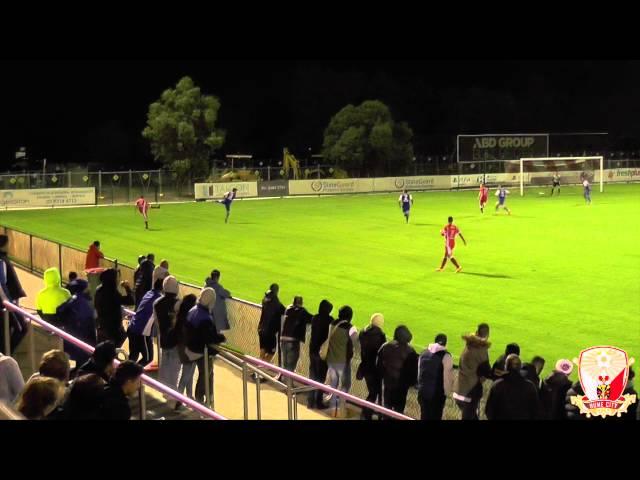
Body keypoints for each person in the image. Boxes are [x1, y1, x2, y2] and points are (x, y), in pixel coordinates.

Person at [184, 288, 226, 405]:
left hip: (190, 347)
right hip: (199, 350)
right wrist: (221, 338)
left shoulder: (193, 310)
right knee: (206, 373)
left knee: (207, 373)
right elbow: (208, 337)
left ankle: (208, 398)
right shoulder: (205, 317)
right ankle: (200, 400)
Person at [325, 305, 358, 417]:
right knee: (345, 384)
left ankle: (333, 409)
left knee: (333, 383)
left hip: (331, 358)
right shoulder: (351, 327)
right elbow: (357, 344)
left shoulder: (332, 323)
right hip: (343, 361)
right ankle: (340, 408)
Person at [377, 325, 418, 416]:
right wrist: (411, 383)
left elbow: (379, 364)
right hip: (401, 387)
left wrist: (383, 376)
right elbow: (413, 372)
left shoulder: (386, 346)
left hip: (388, 383)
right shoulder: (411, 351)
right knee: (398, 411)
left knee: (386, 409)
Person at [453, 323, 492, 420]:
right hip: (470, 391)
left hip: (459, 388)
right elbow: (486, 370)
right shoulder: (481, 349)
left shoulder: (468, 345)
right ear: (487, 335)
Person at [485, 354, 540, 420]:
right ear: (520, 367)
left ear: (506, 366)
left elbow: (489, 410)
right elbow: (535, 411)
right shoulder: (530, 386)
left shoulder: (498, 385)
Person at [56, 278, 97, 366]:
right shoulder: (85, 303)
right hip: (83, 341)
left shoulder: (72, 300)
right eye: (87, 287)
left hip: (72, 338)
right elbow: (90, 325)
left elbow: (59, 311)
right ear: (83, 289)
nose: (89, 289)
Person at [127, 276, 165, 366]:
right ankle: (132, 375)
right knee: (148, 358)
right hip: (141, 333)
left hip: (132, 327)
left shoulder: (149, 293)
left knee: (133, 356)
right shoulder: (159, 299)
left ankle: (126, 374)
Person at [0, 235, 28, 353]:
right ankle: (6, 355)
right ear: (4, 245)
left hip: (7, 303)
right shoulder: (1, 260)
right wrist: (9, 303)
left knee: (6, 331)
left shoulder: (3, 258)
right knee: (22, 327)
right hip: (7, 305)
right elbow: (2, 284)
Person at [154, 276, 182, 396]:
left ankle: (165, 392)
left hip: (164, 339)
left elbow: (157, 321)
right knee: (174, 369)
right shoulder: (179, 303)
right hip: (176, 342)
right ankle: (172, 396)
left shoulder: (157, 303)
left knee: (165, 365)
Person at [418, 333, 454, 421]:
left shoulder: (423, 353)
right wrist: (447, 392)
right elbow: (447, 378)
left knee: (424, 416)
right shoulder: (446, 356)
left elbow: (419, 373)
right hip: (437, 395)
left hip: (423, 392)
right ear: (445, 343)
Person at [357, 313, 386, 419]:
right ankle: (366, 414)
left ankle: (367, 414)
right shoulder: (380, 335)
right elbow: (382, 353)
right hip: (374, 369)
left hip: (365, 366)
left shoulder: (363, 332)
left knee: (373, 392)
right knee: (374, 393)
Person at [94, 268, 134, 347]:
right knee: (112, 348)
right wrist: (127, 287)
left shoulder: (100, 289)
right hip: (112, 329)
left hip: (102, 325)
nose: (118, 280)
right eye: (117, 277)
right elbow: (131, 301)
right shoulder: (111, 292)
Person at [307, 299, 334, 409]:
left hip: (312, 350)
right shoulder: (330, 320)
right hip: (322, 353)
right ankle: (318, 402)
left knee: (312, 376)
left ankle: (310, 401)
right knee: (320, 378)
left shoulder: (315, 318)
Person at [280, 296, 313, 372]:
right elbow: (312, 319)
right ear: (301, 303)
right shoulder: (302, 311)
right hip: (293, 341)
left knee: (285, 364)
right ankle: (288, 383)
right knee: (291, 365)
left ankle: (284, 381)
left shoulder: (288, 309)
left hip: (283, 339)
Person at [175, 294, 198, 399]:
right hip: (189, 349)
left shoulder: (180, 315)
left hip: (181, 347)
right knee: (187, 374)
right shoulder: (191, 317)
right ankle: (178, 398)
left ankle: (189, 395)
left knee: (189, 373)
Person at [257, 284, 285, 364]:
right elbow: (284, 311)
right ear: (277, 291)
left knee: (263, 349)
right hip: (270, 332)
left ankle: (257, 370)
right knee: (271, 353)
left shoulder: (265, 299)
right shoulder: (276, 302)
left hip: (261, 328)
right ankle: (261, 370)